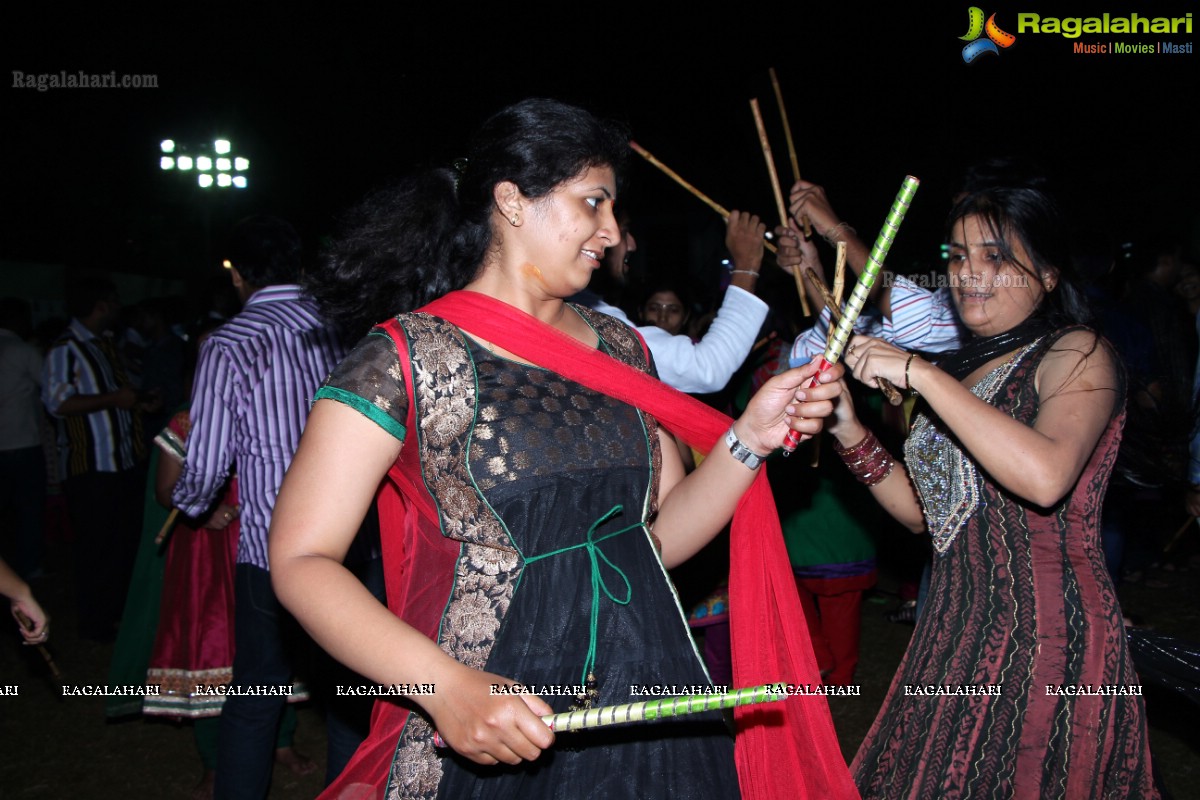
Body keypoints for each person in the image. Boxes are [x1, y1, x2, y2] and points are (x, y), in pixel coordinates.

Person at [278, 98, 852, 799]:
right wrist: (445, 686)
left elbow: (659, 540)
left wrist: (749, 439)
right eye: (593, 204)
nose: (612, 234)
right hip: (490, 704)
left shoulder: (621, 347)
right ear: (513, 202)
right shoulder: (406, 357)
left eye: (612, 210)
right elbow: (302, 560)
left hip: (644, 693)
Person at [825, 185, 1158, 797]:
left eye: (996, 256)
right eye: (957, 255)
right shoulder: (953, 372)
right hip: (953, 624)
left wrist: (916, 371)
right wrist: (849, 429)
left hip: (1046, 634)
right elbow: (931, 518)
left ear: (1050, 273)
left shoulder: (1077, 352)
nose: (969, 273)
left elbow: (1045, 476)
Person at [172, 215, 345, 799]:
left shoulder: (230, 341)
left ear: (239, 275)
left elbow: (205, 463)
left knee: (256, 695)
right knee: (349, 690)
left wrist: (190, 502)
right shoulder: (339, 330)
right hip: (351, 540)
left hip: (275, 545)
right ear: (299, 268)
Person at [42, 275, 156, 641]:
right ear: (102, 305)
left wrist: (138, 401)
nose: (119, 309)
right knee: (95, 548)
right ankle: (95, 622)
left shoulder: (104, 345)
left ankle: (116, 614)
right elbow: (57, 402)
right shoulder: (66, 348)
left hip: (120, 462)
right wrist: (114, 400)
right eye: (115, 301)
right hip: (89, 467)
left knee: (120, 544)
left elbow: (116, 395)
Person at [574, 211, 774, 394]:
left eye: (673, 310)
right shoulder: (585, 313)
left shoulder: (584, 305)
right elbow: (706, 368)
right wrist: (747, 265)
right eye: (624, 231)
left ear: (686, 316)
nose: (632, 244)